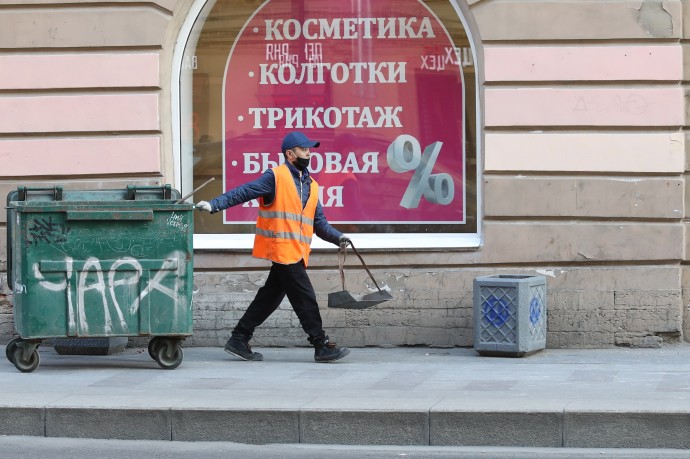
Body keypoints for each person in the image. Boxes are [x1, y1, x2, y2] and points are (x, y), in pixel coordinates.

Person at [196, 131, 351, 363]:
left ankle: (239, 338)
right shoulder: (275, 177)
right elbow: (245, 191)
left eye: (310, 149)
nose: (309, 152)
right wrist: (214, 205)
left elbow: (319, 223)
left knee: (270, 296)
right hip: (281, 248)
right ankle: (320, 344)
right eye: (304, 149)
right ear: (290, 154)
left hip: (297, 252)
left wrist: (338, 237)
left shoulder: (312, 185)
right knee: (305, 297)